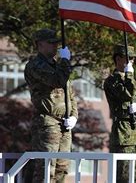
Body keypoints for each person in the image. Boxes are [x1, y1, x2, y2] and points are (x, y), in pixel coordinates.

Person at [24, 28, 78, 183]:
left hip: (64, 125)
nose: (55, 46)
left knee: (61, 169)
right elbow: (57, 80)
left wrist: (74, 115)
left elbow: (70, 94)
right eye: (51, 43)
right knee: (46, 171)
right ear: (40, 44)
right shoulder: (35, 65)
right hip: (47, 124)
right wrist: (65, 61)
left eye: (56, 43)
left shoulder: (58, 66)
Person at [103, 44, 136, 183]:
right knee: (124, 176)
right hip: (123, 134)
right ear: (118, 59)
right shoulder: (112, 81)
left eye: (133, 59)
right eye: (128, 59)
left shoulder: (132, 81)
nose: (132, 62)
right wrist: (129, 76)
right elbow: (128, 95)